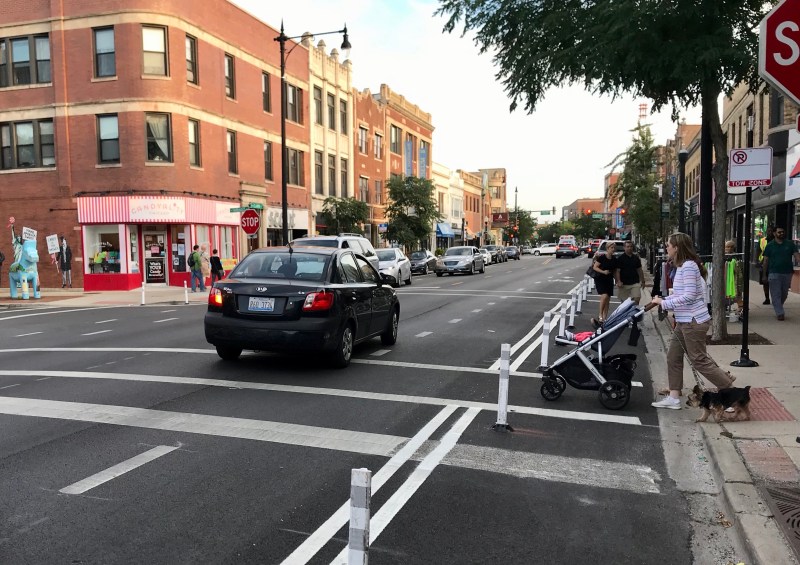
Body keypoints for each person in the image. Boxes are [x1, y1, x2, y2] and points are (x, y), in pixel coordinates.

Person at [650, 233, 736, 410]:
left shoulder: (688, 266)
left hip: (693, 321)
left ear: (677, 248)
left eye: (668, 245)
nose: (666, 248)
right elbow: (686, 294)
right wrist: (668, 297)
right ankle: (673, 397)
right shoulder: (682, 266)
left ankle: (729, 391)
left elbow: (690, 296)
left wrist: (664, 302)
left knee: (698, 360)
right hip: (684, 321)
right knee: (673, 357)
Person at [762, 227, 800, 321]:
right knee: (776, 293)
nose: (781, 233)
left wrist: (798, 260)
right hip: (774, 272)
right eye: (779, 232)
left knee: (784, 293)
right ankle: (780, 313)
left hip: (787, 272)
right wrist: (764, 274)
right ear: (775, 233)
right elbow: (765, 260)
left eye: (783, 232)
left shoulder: (790, 244)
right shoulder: (770, 245)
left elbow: (796, 255)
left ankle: (778, 305)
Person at [591, 241, 617, 328]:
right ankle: (600, 315)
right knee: (604, 295)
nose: (613, 249)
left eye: (614, 248)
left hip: (609, 279)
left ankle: (605, 318)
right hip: (600, 279)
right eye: (611, 248)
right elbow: (595, 267)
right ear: (607, 248)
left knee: (608, 299)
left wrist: (617, 280)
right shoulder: (602, 258)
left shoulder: (614, 259)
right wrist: (603, 272)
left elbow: (615, 271)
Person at [615, 241, 645, 305]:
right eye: (627, 247)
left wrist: (643, 281)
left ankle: (634, 313)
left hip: (635, 283)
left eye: (631, 246)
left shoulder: (636, 258)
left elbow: (639, 270)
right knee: (624, 303)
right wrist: (619, 281)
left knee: (636, 299)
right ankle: (626, 314)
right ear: (624, 247)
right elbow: (617, 271)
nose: (629, 248)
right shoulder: (620, 259)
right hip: (624, 284)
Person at [758, 225, 774, 304]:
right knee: (765, 282)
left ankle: (774, 297)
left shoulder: (776, 241)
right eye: (768, 231)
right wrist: (757, 262)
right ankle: (767, 298)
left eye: (771, 231)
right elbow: (758, 250)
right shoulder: (762, 240)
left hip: (773, 264)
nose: (770, 232)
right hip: (763, 264)